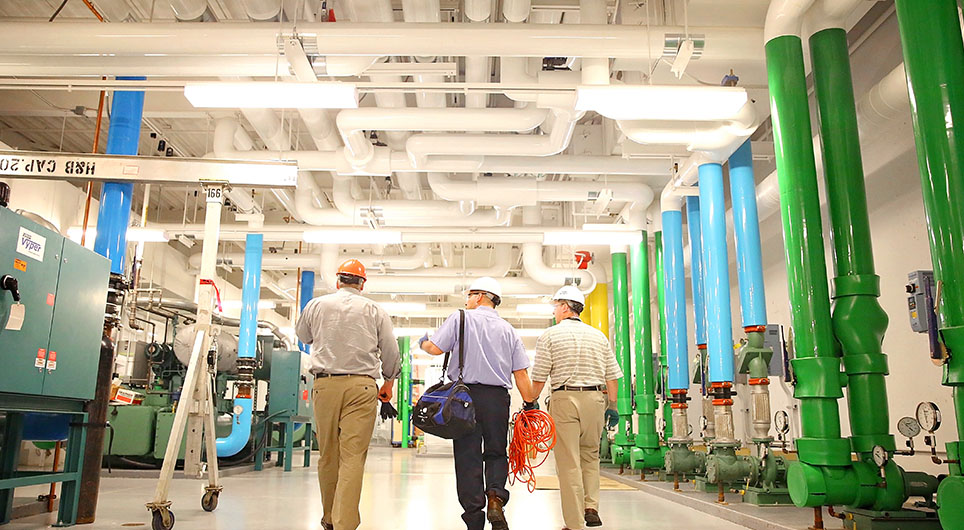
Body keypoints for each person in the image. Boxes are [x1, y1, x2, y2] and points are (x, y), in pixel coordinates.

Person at [419, 276, 535, 530]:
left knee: (468, 456)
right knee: (496, 451)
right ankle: (495, 497)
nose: (467, 300)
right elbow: (521, 374)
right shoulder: (508, 329)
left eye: (470, 295)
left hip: (464, 398)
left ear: (480, 296)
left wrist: (423, 342)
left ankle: (474, 518)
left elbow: (436, 349)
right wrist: (530, 404)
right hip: (497, 399)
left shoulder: (460, 318)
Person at [295, 259, 400, 530]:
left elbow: (303, 336)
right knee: (352, 457)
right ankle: (345, 524)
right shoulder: (375, 310)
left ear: (338, 281)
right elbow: (390, 352)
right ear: (362, 283)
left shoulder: (316, 305)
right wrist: (388, 382)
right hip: (361, 388)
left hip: (325, 386)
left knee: (328, 455)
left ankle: (329, 518)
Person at [527, 285, 622, 530]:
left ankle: (574, 523)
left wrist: (530, 402)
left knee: (569, 463)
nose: (555, 311)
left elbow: (539, 377)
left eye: (557, 306)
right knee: (590, 456)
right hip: (595, 400)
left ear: (565, 307)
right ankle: (591, 507)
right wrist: (612, 405)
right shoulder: (598, 336)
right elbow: (612, 376)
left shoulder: (550, 336)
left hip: (565, 399)